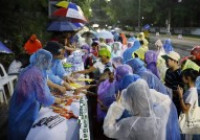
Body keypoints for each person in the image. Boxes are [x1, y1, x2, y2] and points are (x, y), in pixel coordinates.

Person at [8, 49, 63, 140]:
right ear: (44, 61)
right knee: (22, 130)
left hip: (21, 103)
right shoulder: (36, 73)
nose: (50, 63)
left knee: (19, 126)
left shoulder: (33, 68)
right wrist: (58, 100)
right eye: (49, 61)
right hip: (24, 107)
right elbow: (44, 97)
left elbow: (44, 82)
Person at [103, 79, 174, 140]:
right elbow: (167, 100)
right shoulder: (160, 117)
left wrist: (117, 106)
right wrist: (149, 93)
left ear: (132, 102)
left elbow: (108, 130)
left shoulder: (129, 124)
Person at [177, 69, 200, 140]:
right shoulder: (190, 90)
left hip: (188, 123)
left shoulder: (192, 93)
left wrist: (180, 96)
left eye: (183, 77)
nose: (182, 79)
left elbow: (185, 110)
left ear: (188, 78)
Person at [163, 51, 184, 116]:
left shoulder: (179, 74)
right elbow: (166, 83)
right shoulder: (168, 71)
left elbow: (179, 91)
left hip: (175, 102)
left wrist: (167, 90)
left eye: (167, 60)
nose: (165, 62)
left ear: (174, 61)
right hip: (167, 99)